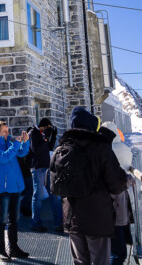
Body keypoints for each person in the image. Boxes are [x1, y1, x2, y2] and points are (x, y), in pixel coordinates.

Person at [51, 107, 128, 265]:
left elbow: (53, 184)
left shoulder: (61, 149)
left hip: (72, 218)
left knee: (80, 261)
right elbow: (116, 183)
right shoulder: (101, 147)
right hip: (97, 218)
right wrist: (126, 178)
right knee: (100, 261)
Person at [0, 121, 30, 262]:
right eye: (4, 131)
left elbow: (22, 152)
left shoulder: (8, 142)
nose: (7, 133)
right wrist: (16, 144)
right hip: (3, 188)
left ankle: (14, 248)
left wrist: (25, 142)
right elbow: (4, 158)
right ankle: (0, 250)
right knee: (2, 220)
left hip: (15, 187)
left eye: (7, 130)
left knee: (14, 220)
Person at [100, 122, 134, 265]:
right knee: (119, 248)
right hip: (121, 196)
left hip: (106, 197)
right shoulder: (125, 149)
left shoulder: (103, 150)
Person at [28, 117, 62, 232]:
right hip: (37, 168)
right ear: (44, 126)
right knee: (37, 196)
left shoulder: (43, 134)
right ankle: (35, 223)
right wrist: (46, 137)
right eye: (48, 128)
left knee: (54, 194)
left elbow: (49, 148)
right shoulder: (33, 133)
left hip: (47, 167)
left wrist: (53, 136)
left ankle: (60, 223)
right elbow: (35, 149)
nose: (49, 130)